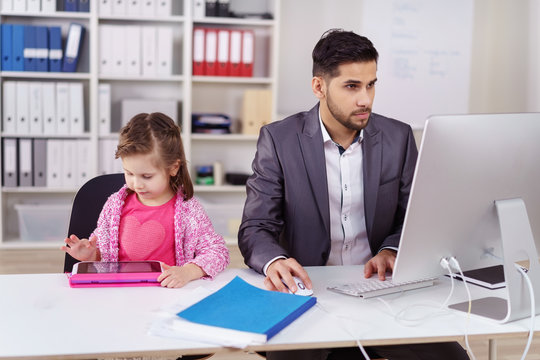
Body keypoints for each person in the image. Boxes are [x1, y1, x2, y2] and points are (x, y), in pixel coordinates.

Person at [238, 29, 469, 360]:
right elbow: (255, 226)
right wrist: (275, 260)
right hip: (309, 295)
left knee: (453, 358)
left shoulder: (398, 138)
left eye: (371, 84)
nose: (366, 99)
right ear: (319, 86)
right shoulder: (279, 140)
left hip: (379, 291)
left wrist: (391, 250)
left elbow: (416, 217)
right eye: (352, 86)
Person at [62, 112, 230, 288]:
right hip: (121, 293)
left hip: (168, 293)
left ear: (173, 168)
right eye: (129, 173)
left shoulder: (190, 211)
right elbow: (104, 254)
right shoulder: (114, 206)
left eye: (147, 176)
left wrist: (187, 272)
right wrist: (91, 256)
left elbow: (218, 252)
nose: (137, 184)